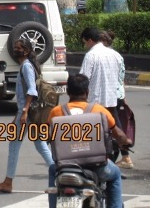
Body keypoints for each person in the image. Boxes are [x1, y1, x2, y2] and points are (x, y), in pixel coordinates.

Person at [47, 73, 131, 208]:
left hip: (64, 167)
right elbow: (119, 135)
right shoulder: (99, 110)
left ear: (68, 91)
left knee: (52, 169)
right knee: (115, 175)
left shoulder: (55, 112)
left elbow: (48, 135)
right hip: (97, 167)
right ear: (87, 92)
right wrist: (125, 141)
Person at [0, 39, 54, 194]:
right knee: (40, 145)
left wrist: (23, 112)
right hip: (28, 113)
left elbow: (32, 90)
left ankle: (7, 182)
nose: (15, 49)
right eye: (15, 47)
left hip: (28, 113)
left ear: (25, 51)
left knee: (14, 145)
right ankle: (60, 176)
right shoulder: (28, 65)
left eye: (18, 47)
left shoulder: (26, 66)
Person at [78, 27, 126, 161]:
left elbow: (83, 79)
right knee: (112, 132)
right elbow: (119, 78)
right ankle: (113, 161)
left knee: (93, 135)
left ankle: (96, 161)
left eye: (85, 42)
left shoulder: (91, 55)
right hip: (111, 102)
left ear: (90, 40)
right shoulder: (115, 55)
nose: (86, 45)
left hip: (94, 103)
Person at [99, 30, 133, 168]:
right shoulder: (117, 56)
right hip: (118, 94)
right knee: (113, 124)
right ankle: (122, 155)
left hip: (110, 95)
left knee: (114, 126)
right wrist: (123, 96)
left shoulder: (106, 56)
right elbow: (121, 78)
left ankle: (124, 156)